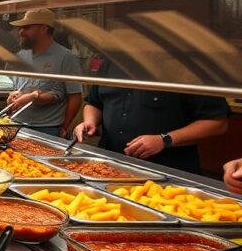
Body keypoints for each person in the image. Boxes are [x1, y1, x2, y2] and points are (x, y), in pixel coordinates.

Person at [74, 62, 229, 175]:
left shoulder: (188, 68)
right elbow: (94, 103)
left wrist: (164, 139)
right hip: (109, 166)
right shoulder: (110, 63)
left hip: (166, 171)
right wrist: (90, 121)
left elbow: (217, 122)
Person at [6, 9, 83, 137]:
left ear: (43, 28)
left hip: (48, 128)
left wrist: (64, 126)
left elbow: (75, 97)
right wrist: (12, 94)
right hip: (16, 123)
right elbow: (12, 85)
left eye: (26, 27)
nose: (21, 32)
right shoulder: (19, 56)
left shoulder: (66, 57)